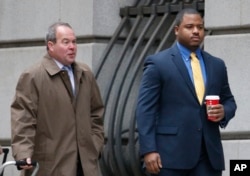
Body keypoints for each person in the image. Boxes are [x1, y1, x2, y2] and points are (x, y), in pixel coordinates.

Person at [136, 8, 237, 176]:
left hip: (208, 157)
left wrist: (224, 111)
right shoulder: (158, 63)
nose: (196, 31)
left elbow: (229, 101)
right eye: (189, 27)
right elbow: (145, 110)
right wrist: (148, 150)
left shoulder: (216, 65)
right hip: (170, 157)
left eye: (200, 27)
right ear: (177, 30)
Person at [11, 22, 104, 176]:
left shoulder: (85, 73)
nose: (72, 47)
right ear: (51, 46)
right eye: (65, 42)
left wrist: (95, 145)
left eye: (74, 42)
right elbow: (23, 118)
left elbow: (96, 112)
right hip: (50, 166)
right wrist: (23, 153)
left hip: (86, 166)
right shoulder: (33, 76)